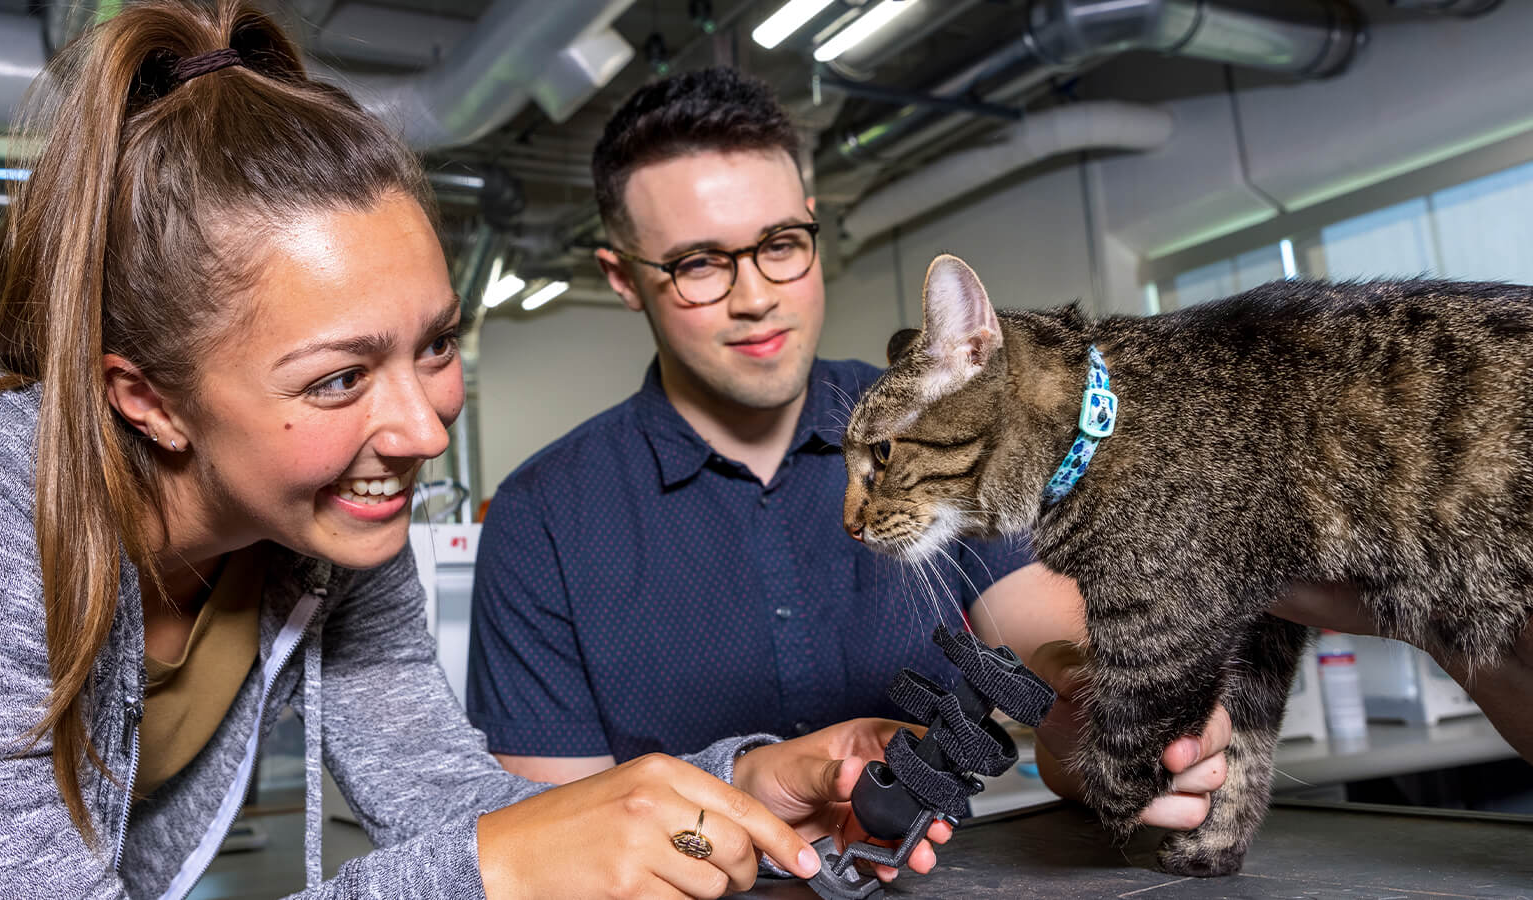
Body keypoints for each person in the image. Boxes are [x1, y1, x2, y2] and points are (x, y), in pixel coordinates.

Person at [0, 5, 949, 897]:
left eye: (433, 347)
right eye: (339, 378)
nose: (423, 432)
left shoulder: (324, 531)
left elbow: (441, 799)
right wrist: (491, 873)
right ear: (146, 399)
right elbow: (485, 859)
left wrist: (734, 791)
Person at [464, 66, 1235, 837]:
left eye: (781, 243)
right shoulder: (544, 518)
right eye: (699, 263)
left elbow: (1049, 643)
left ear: (810, 224)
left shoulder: (944, 428)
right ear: (622, 277)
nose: (756, 294)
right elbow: (547, 832)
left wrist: (1104, 724)